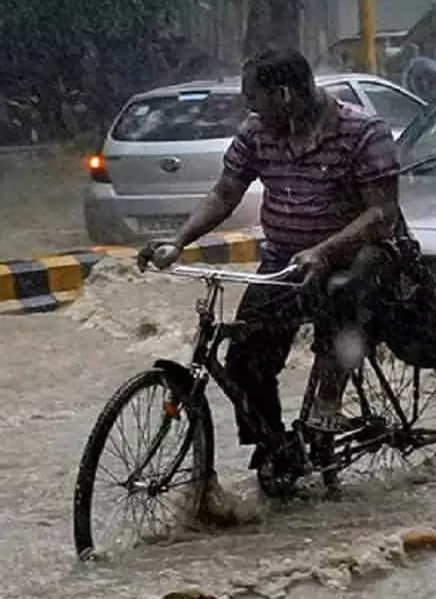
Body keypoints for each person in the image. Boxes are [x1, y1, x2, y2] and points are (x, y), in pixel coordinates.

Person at [138, 47, 405, 480]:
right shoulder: (257, 133)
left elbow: (381, 214)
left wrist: (323, 251)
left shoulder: (362, 131)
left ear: (283, 94)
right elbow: (225, 193)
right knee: (245, 359)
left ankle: (328, 401)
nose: (248, 106)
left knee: (340, 303)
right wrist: (179, 241)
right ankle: (274, 444)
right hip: (284, 262)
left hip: (355, 257)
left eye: (253, 97)